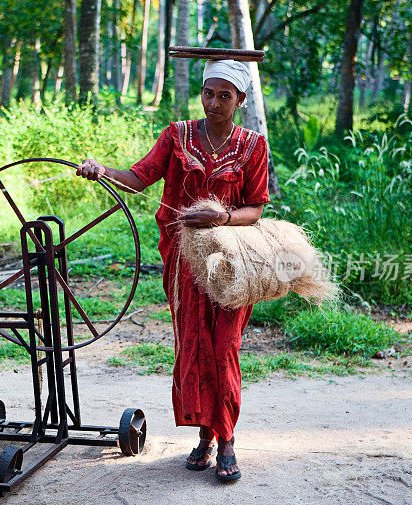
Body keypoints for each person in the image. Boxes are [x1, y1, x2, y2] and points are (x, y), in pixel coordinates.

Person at [77, 60, 269, 482]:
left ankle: (228, 440)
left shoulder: (254, 145)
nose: (213, 102)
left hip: (232, 265)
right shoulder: (176, 135)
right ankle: (205, 436)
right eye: (208, 93)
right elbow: (139, 177)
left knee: (225, 348)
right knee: (195, 346)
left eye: (224, 95)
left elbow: (255, 207)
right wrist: (102, 171)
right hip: (184, 263)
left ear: (240, 100)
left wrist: (220, 218)